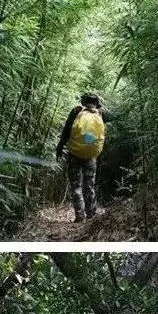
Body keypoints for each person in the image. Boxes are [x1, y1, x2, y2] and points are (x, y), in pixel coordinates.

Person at [56, 92, 108, 222]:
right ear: (97, 103)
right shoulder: (99, 114)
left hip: (74, 154)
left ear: (83, 101)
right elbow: (99, 137)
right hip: (91, 156)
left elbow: (67, 131)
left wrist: (60, 147)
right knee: (89, 185)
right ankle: (91, 215)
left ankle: (80, 216)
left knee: (76, 185)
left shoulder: (77, 111)